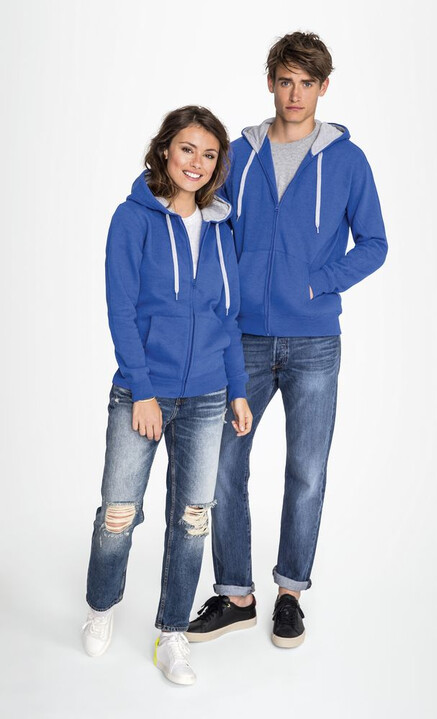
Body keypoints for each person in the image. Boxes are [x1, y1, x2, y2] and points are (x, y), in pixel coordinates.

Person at [186, 32, 388, 648]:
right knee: (223, 466)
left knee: (306, 471)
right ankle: (236, 595)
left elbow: (375, 244)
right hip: (242, 340)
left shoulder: (347, 161)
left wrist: (316, 284)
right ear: (270, 82)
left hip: (314, 343)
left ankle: (290, 594)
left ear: (323, 87)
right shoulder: (238, 155)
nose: (294, 94)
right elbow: (203, 217)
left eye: (306, 83)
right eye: (284, 81)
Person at [81, 105, 252, 685]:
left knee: (193, 518)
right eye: (187, 149)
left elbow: (228, 318)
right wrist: (144, 392)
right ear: (164, 151)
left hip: (208, 396)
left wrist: (237, 389)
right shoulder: (132, 219)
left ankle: (172, 631)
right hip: (143, 390)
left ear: (218, 164)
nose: (196, 163)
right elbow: (121, 310)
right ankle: (100, 606)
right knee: (119, 512)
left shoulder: (222, 227)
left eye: (209, 154)